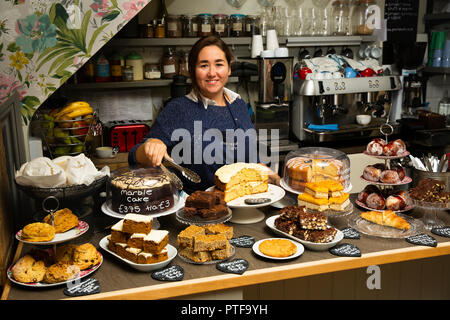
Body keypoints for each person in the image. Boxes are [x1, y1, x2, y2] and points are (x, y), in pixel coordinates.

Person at [128, 35, 280, 193]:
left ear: (229, 69)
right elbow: (134, 156)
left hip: (244, 203)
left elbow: (250, 160)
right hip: (199, 210)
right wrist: (150, 146)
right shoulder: (178, 109)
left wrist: (276, 179)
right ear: (193, 71)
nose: (212, 73)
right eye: (204, 65)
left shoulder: (238, 105)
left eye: (219, 64)